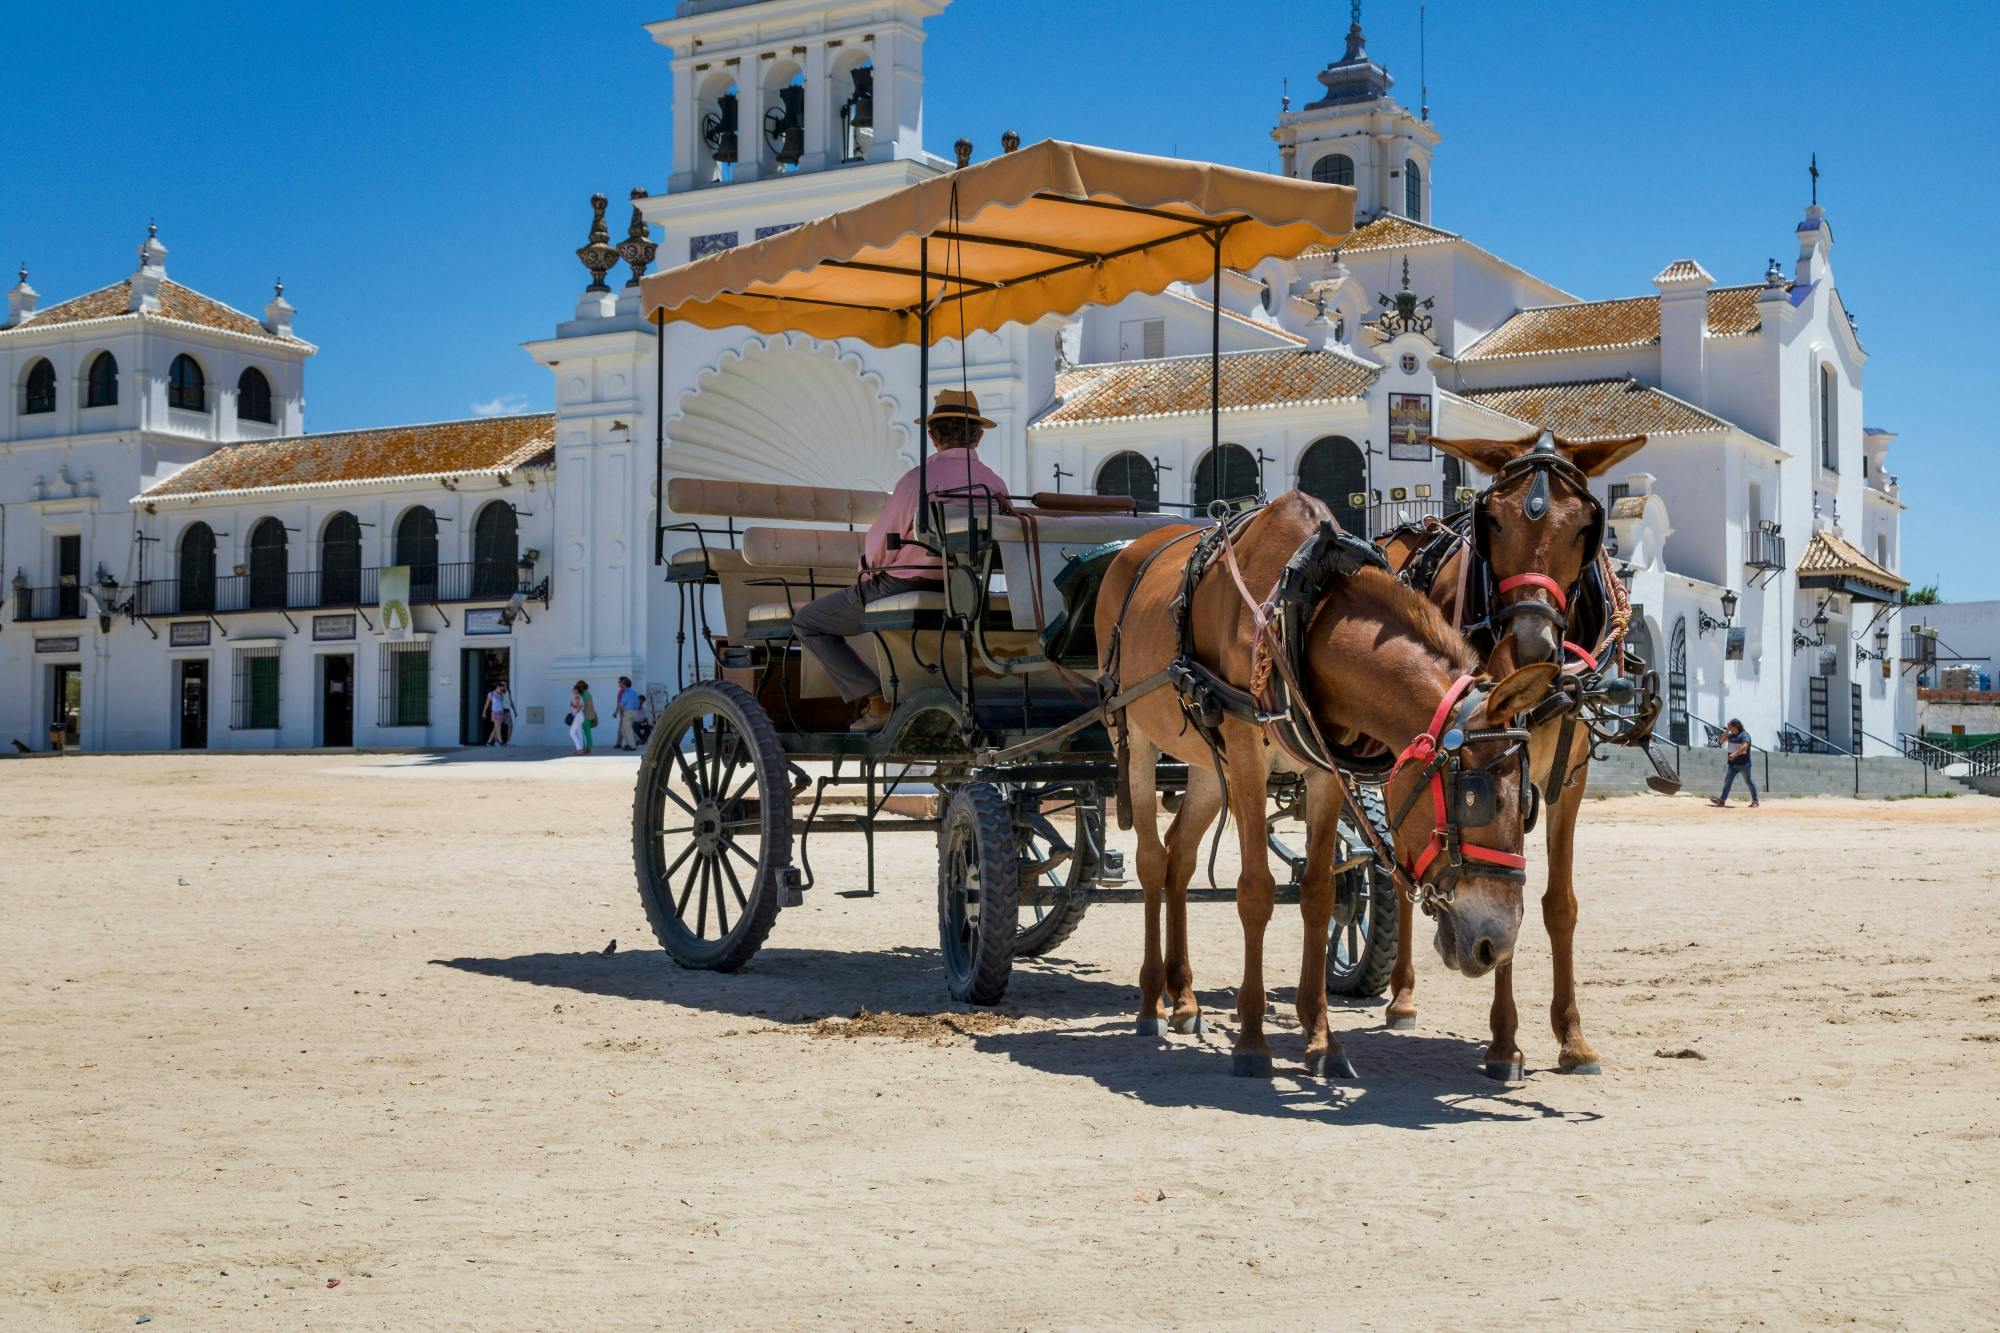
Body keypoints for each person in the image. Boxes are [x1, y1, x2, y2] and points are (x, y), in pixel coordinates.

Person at [793, 389, 1012, 731]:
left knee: (808, 621)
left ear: (933, 435)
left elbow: (880, 546)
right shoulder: (994, 484)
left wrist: (866, 575)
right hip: (964, 591)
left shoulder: (917, 481)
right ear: (978, 436)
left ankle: (878, 702)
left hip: (902, 585)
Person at [1711, 718, 1759, 808]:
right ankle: (1722, 801)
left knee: (1749, 781)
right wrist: (1727, 730)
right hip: (1733, 765)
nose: (1730, 728)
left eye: (1731, 727)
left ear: (1736, 727)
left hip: (1744, 764)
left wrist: (1734, 754)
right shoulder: (1731, 735)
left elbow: (1745, 746)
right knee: (1727, 781)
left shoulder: (1744, 735)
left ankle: (1755, 801)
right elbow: (1721, 740)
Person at [613, 676, 645, 751]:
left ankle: (632, 746)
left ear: (624, 684)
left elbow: (621, 704)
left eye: (621, 684)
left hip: (627, 712)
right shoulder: (634, 692)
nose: (620, 685)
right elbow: (638, 704)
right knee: (624, 729)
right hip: (634, 712)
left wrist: (615, 713)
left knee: (627, 730)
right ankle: (628, 744)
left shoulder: (626, 693)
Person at [569, 680, 596, 755]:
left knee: (579, 732)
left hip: (584, 715)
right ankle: (586, 748)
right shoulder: (587, 693)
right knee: (585, 732)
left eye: (578, 686)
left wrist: (572, 705)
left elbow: (582, 706)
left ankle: (582, 748)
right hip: (588, 715)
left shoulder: (583, 694)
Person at [484, 682, 508, 746]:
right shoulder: (491, 694)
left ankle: (489, 742)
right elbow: (487, 704)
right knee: (498, 727)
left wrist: (504, 685)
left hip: (501, 712)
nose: (501, 691)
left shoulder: (501, 694)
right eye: (500, 689)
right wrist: (484, 712)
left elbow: (506, 691)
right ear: (497, 687)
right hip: (495, 712)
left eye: (502, 690)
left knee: (495, 728)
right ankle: (501, 741)